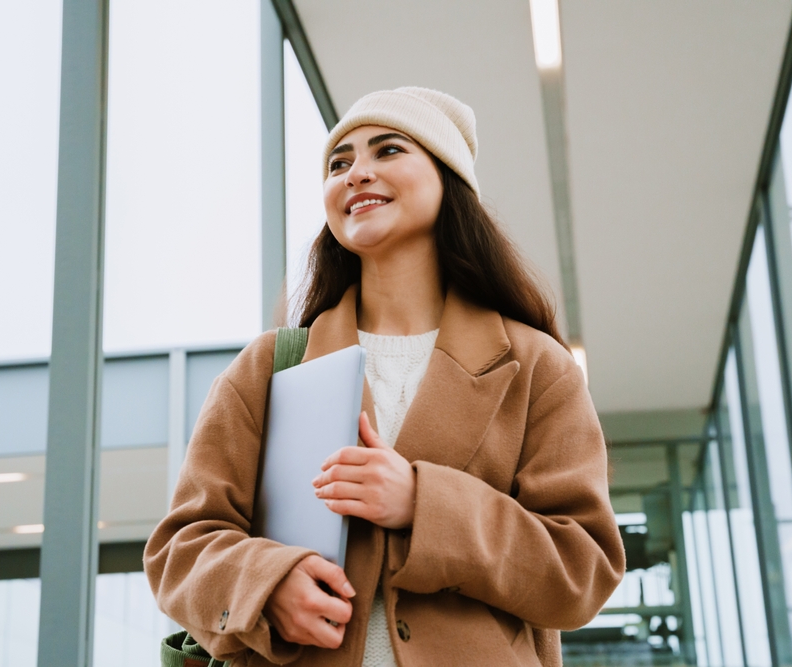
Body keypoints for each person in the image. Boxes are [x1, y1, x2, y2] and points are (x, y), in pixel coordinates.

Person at [144, 87, 625, 667]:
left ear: (448, 179)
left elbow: (582, 569)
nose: (356, 174)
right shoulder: (270, 367)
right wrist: (266, 585)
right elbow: (179, 550)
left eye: (388, 150)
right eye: (338, 163)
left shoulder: (538, 367)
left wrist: (424, 504)